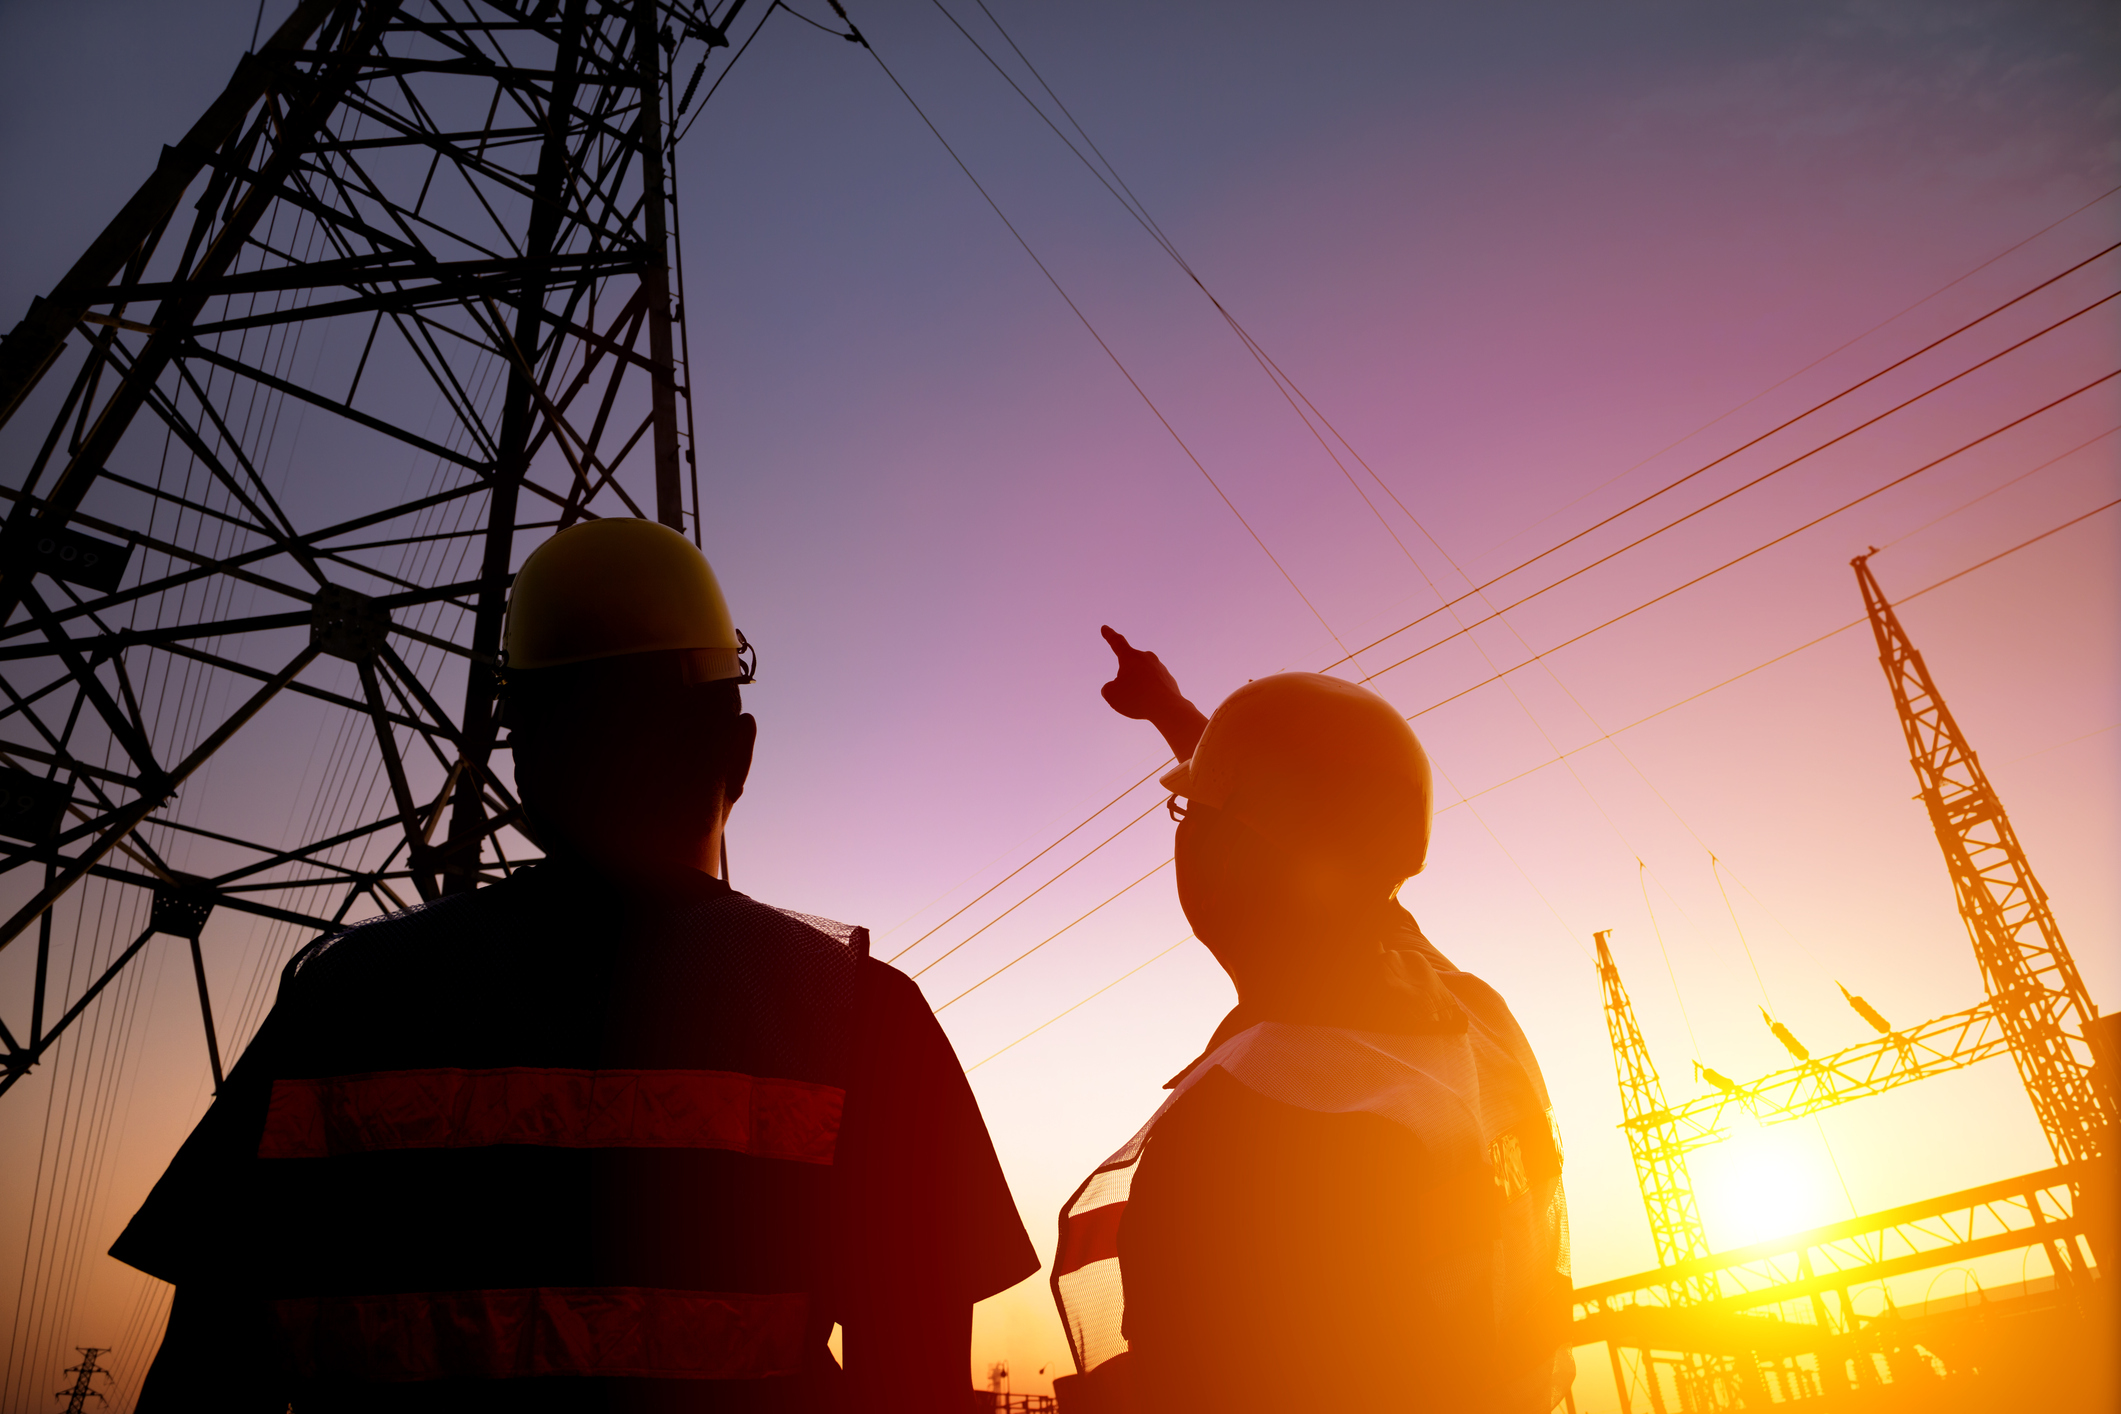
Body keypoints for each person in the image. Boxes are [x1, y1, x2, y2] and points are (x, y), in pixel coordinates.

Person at [113, 519, 1037, 1412]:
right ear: (741, 754)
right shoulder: (859, 1018)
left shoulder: (341, 999)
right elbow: (912, 1384)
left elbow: (204, 1373)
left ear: (522, 763)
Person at [1049, 628, 1573, 1414]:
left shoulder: (1242, 1121)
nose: (1182, 829)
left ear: (1223, 854)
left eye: (1185, 812)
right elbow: (1324, 847)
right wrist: (1174, 714)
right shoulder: (1468, 1018)